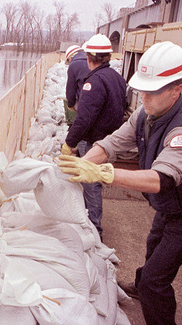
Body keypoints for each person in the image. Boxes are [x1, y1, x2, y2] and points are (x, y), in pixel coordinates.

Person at [57, 41, 182, 325]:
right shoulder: (148, 114)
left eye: (152, 92)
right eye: (141, 91)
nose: (142, 98)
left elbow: (162, 178)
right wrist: (82, 166)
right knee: (152, 248)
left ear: (175, 90)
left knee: (157, 279)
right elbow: (113, 143)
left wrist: (103, 173)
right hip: (169, 207)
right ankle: (144, 285)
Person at [61, 34, 127, 239]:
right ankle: (90, 222)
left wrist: (69, 142)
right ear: (107, 56)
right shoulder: (117, 77)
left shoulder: (93, 82)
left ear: (89, 58)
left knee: (91, 183)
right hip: (109, 139)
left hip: (93, 141)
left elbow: (83, 119)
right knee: (93, 181)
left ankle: (94, 230)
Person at [63, 44, 89, 125]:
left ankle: (74, 122)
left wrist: (70, 105)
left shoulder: (73, 65)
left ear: (70, 57)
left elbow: (71, 89)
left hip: (86, 103)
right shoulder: (91, 59)